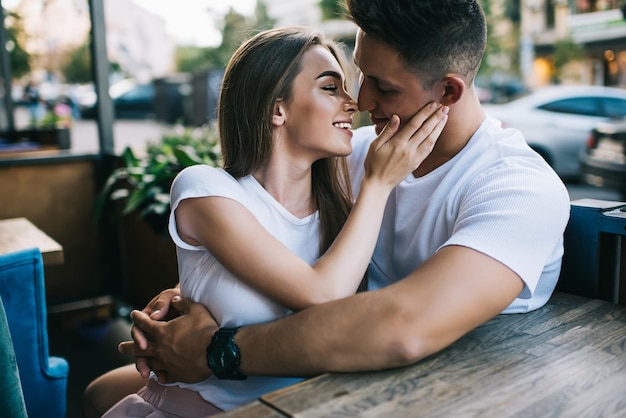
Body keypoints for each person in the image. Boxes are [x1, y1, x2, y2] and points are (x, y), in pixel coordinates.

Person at [111, 0, 569, 411]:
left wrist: (216, 348)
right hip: (323, 381)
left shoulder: (519, 187)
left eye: (382, 88)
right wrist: (194, 289)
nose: (363, 101)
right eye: (357, 75)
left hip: (456, 395)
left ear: (448, 92)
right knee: (105, 391)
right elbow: (270, 233)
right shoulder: (349, 155)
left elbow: (401, 326)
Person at [92, 26, 446, 417]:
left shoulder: (342, 214)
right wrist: (378, 184)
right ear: (277, 108)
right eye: (331, 88)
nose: (354, 103)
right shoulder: (205, 189)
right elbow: (321, 295)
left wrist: (183, 289)